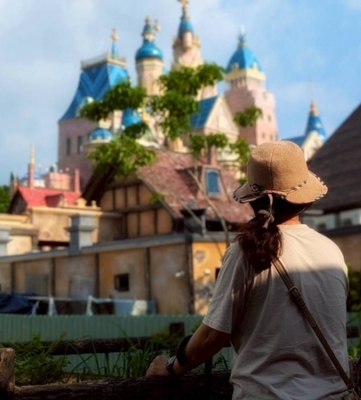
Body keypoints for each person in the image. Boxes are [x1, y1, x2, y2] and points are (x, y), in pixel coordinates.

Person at [146, 141, 350, 399]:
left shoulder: (245, 252)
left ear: (253, 201)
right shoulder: (332, 252)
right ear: (304, 201)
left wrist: (171, 367)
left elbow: (212, 337)